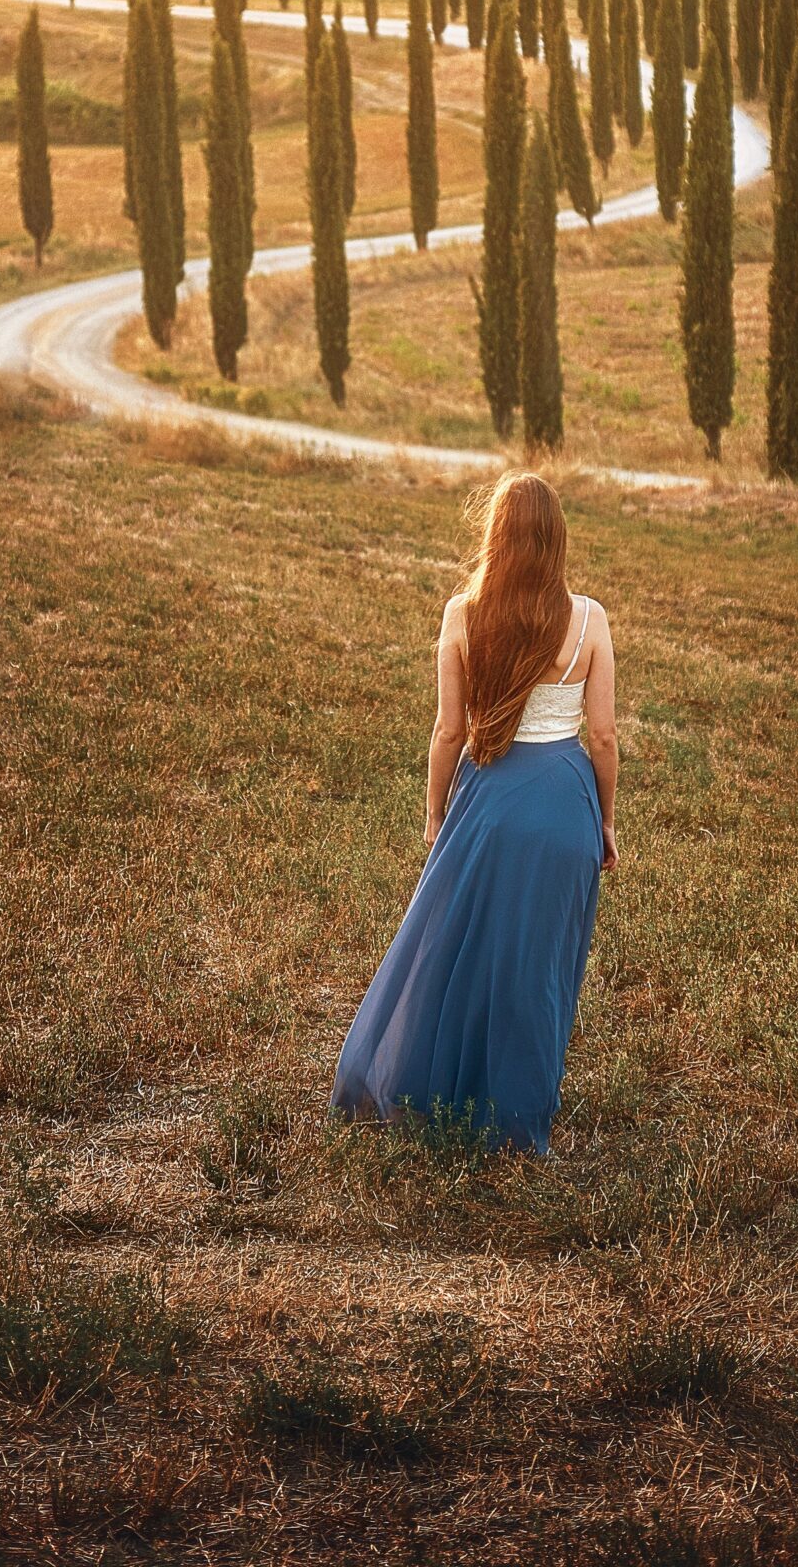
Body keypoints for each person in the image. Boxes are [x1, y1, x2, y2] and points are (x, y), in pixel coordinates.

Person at [330, 471, 617, 1155]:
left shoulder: (462, 614)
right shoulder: (590, 619)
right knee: (536, 968)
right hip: (563, 806)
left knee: (448, 951)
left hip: (485, 801)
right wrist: (604, 822)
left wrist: (436, 816)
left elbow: (448, 734)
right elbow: (603, 737)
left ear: (496, 535)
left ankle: (426, 1095)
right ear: (556, 540)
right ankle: (516, 1121)